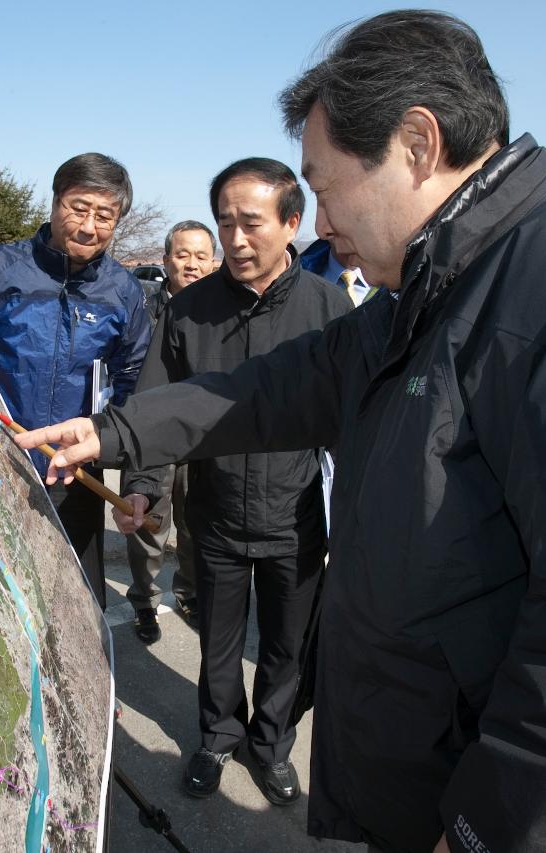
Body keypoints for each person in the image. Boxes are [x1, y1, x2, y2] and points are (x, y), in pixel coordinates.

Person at [14, 11, 546, 852]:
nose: (321, 224)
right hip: (419, 782)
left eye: (324, 189)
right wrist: (108, 433)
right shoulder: (433, 295)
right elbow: (272, 387)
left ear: (416, 144)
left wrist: (490, 829)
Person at [119, 159, 350, 805]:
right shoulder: (189, 311)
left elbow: (351, 419)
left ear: (292, 223)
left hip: (296, 518)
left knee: (284, 648)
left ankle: (271, 745)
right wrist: (140, 485)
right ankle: (218, 735)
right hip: (215, 518)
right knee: (218, 646)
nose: (237, 239)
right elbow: (155, 406)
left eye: (252, 223)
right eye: (227, 223)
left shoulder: (329, 308)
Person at [0, 153, 151, 611]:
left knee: (77, 597)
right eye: (78, 208)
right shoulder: (0, 267)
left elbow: (135, 377)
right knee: (3, 589)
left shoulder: (122, 290)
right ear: (54, 201)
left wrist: (107, 437)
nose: (89, 226)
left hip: (75, 465)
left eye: (105, 216)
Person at [123, 220, 215, 640]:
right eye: (182, 255)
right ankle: (144, 602)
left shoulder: (222, 314)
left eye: (200, 256)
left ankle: (190, 592)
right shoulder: (143, 312)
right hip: (153, 441)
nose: (191, 265)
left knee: (197, 524)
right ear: (166, 261)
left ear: (212, 263)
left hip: (203, 440)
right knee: (148, 527)